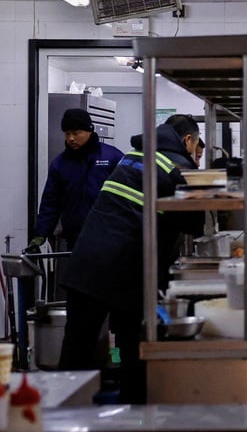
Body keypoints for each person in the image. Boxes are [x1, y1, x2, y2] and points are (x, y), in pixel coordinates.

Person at [57, 122, 205, 403]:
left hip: (89, 262)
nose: (196, 159)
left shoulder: (134, 155)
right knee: (134, 349)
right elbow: (193, 224)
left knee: (76, 351)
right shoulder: (176, 167)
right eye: (197, 151)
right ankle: (136, 421)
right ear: (187, 140)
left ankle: (58, 429)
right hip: (128, 269)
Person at [28, 108, 124, 253]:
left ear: (89, 131)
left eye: (76, 133)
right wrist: (41, 233)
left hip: (109, 233)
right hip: (76, 237)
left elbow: (127, 194)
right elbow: (51, 202)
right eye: (67, 134)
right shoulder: (60, 164)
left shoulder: (111, 157)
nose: (71, 138)